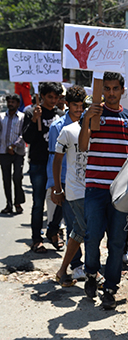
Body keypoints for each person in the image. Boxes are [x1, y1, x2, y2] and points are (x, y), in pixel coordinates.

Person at [79, 72, 128, 309]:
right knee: (92, 236)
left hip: (121, 192)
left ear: (123, 90)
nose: (111, 93)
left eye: (116, 88)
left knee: (117, 242)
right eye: (107, 88)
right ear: (101, 90)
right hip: (95, 188)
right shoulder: (93, 114)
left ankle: (110, 288)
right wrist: (86, 121)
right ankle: (92, 273)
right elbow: (84, 146)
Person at [52, 86, 88, 287]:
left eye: (82, 105)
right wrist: (57, 188)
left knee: (81, 230)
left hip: (94, 189)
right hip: (75, 189)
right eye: (75, 105)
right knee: (85, 230)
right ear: (68, 105)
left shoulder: (94, 129)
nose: (79, 109)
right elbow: (56, 160)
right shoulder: (66, 130)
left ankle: (63, 270)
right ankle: (88, 271)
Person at [22, 82, 65, 253]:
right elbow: (28, 138)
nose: (53, 100)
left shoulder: (61, 115)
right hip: (39, 164)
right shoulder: (31, 112)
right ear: (42, 96)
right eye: (50, 97)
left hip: (57, 164)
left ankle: (54, 232)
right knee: (39, 202)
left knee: (60, 199)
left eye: (56, 97)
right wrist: (34, 121)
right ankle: (36, 239)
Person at [0, 93, 26, 215]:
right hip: (3, 152)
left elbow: (23, 134)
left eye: (13, 102)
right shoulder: (1, 117)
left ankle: (18, 202)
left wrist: (13, 146)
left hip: (18, 152)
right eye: (9, 102)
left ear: (17, 103)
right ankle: (9, 204)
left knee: (17, 177)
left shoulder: (22, 117)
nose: (10, 104)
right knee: (6, 179)